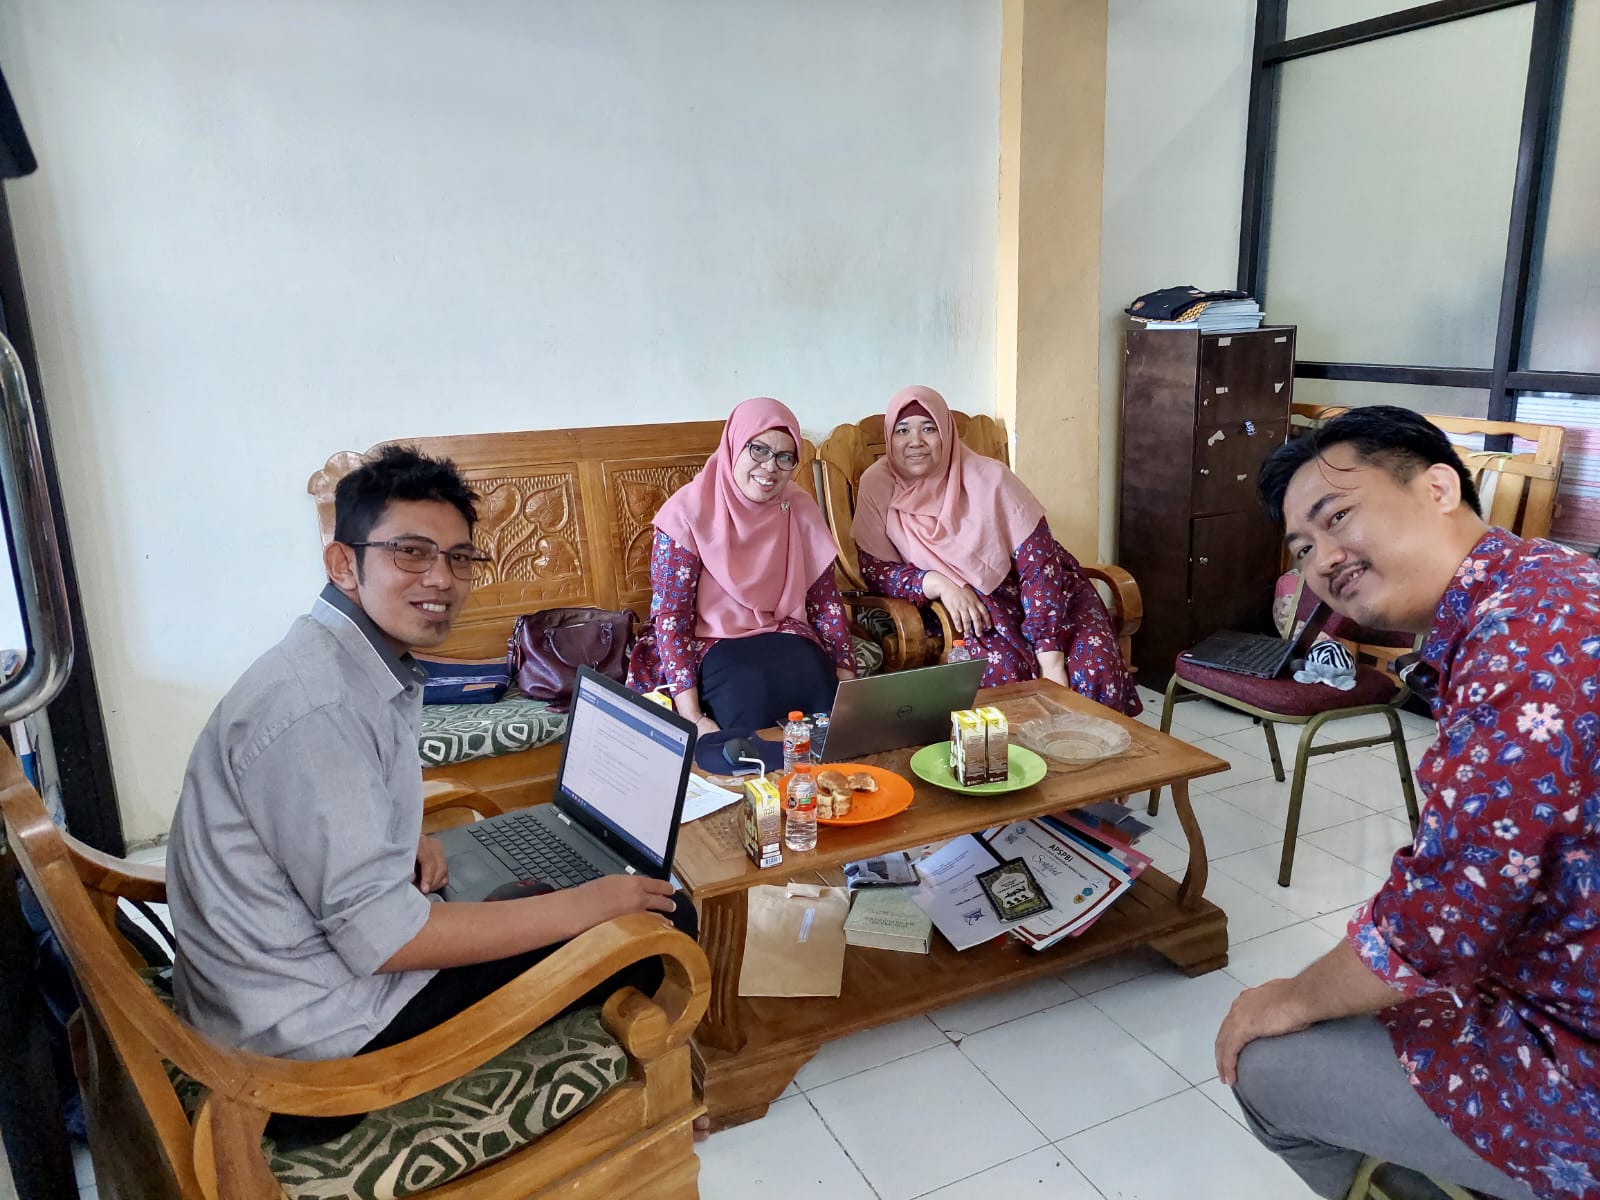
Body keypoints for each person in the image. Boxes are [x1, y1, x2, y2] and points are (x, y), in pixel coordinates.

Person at [166, 445, 698, 1148]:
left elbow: (319, 814)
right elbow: (388, 940)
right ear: (343, 563)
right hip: (312, 1056)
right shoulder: (318, 708)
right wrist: (591, 906)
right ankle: (648, 1117)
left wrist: (394, 833)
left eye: (459, 558)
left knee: (546, 895)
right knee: (659, 919)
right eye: (411, 553)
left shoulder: (331, 661)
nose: (441, 579)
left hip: (273, 988)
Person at [1216, 406, 1599, 1200]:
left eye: (1337, 517)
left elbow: (1440, 920)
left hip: (1574, 1052)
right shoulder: (1546, 581)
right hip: (1551, 970)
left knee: (1265, 1061)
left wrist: (1287, 998)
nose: (1325, 559)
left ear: (1438, 487)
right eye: (1302, 547)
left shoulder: (1524, 651)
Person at [851, 385, 1140, 714]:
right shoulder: (878, 484)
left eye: (928, 428)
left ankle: (1098, 747)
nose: (915, 441)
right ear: (890, 438)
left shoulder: (990, 477)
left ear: (946, 433)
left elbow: (1040, 565)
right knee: (1004, 673)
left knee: (1095, 666)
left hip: (1045, 596)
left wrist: (1050, 656)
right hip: (963, 607)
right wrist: (938, 583)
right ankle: (1021, 749)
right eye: (902, 430)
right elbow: (875, 571)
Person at [627, 396, 854, 734]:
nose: (770, 467)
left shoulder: (798, 506)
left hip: (783, 629)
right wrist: (693, 716)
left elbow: (825, 602)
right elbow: (673, 618)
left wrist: (846, 685)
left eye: (784, 457)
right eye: (759, 450)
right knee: (746, 694)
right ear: (734, 445)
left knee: (816, 679)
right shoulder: (686, 514)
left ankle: (825, 769)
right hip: (707, 640)